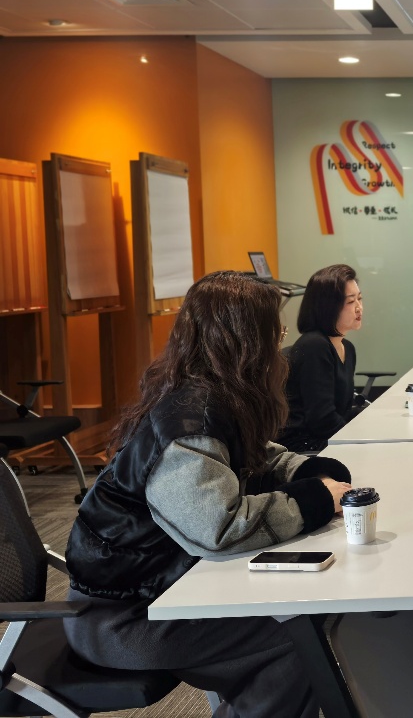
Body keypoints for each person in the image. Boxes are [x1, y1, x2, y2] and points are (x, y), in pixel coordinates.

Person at [64, 271, 353, 718]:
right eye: (274, 332)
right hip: (125, 618)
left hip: (161, 590)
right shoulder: (189, 420)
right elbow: (219, 527)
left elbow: (258, 456)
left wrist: (309, 472)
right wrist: (312, 500)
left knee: (305, 624)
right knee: (296, 643)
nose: (281, 343)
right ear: (246, 341)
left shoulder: (206, 394)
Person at [279, 263, 368, 452]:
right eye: (350, 302)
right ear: (328, 307)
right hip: (304, 446)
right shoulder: (314, 346)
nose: (359, 307)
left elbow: (340, 412)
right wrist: (358, 441)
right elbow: (321, 420)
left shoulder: (347, 348)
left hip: (326, 438)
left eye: (359, 299)